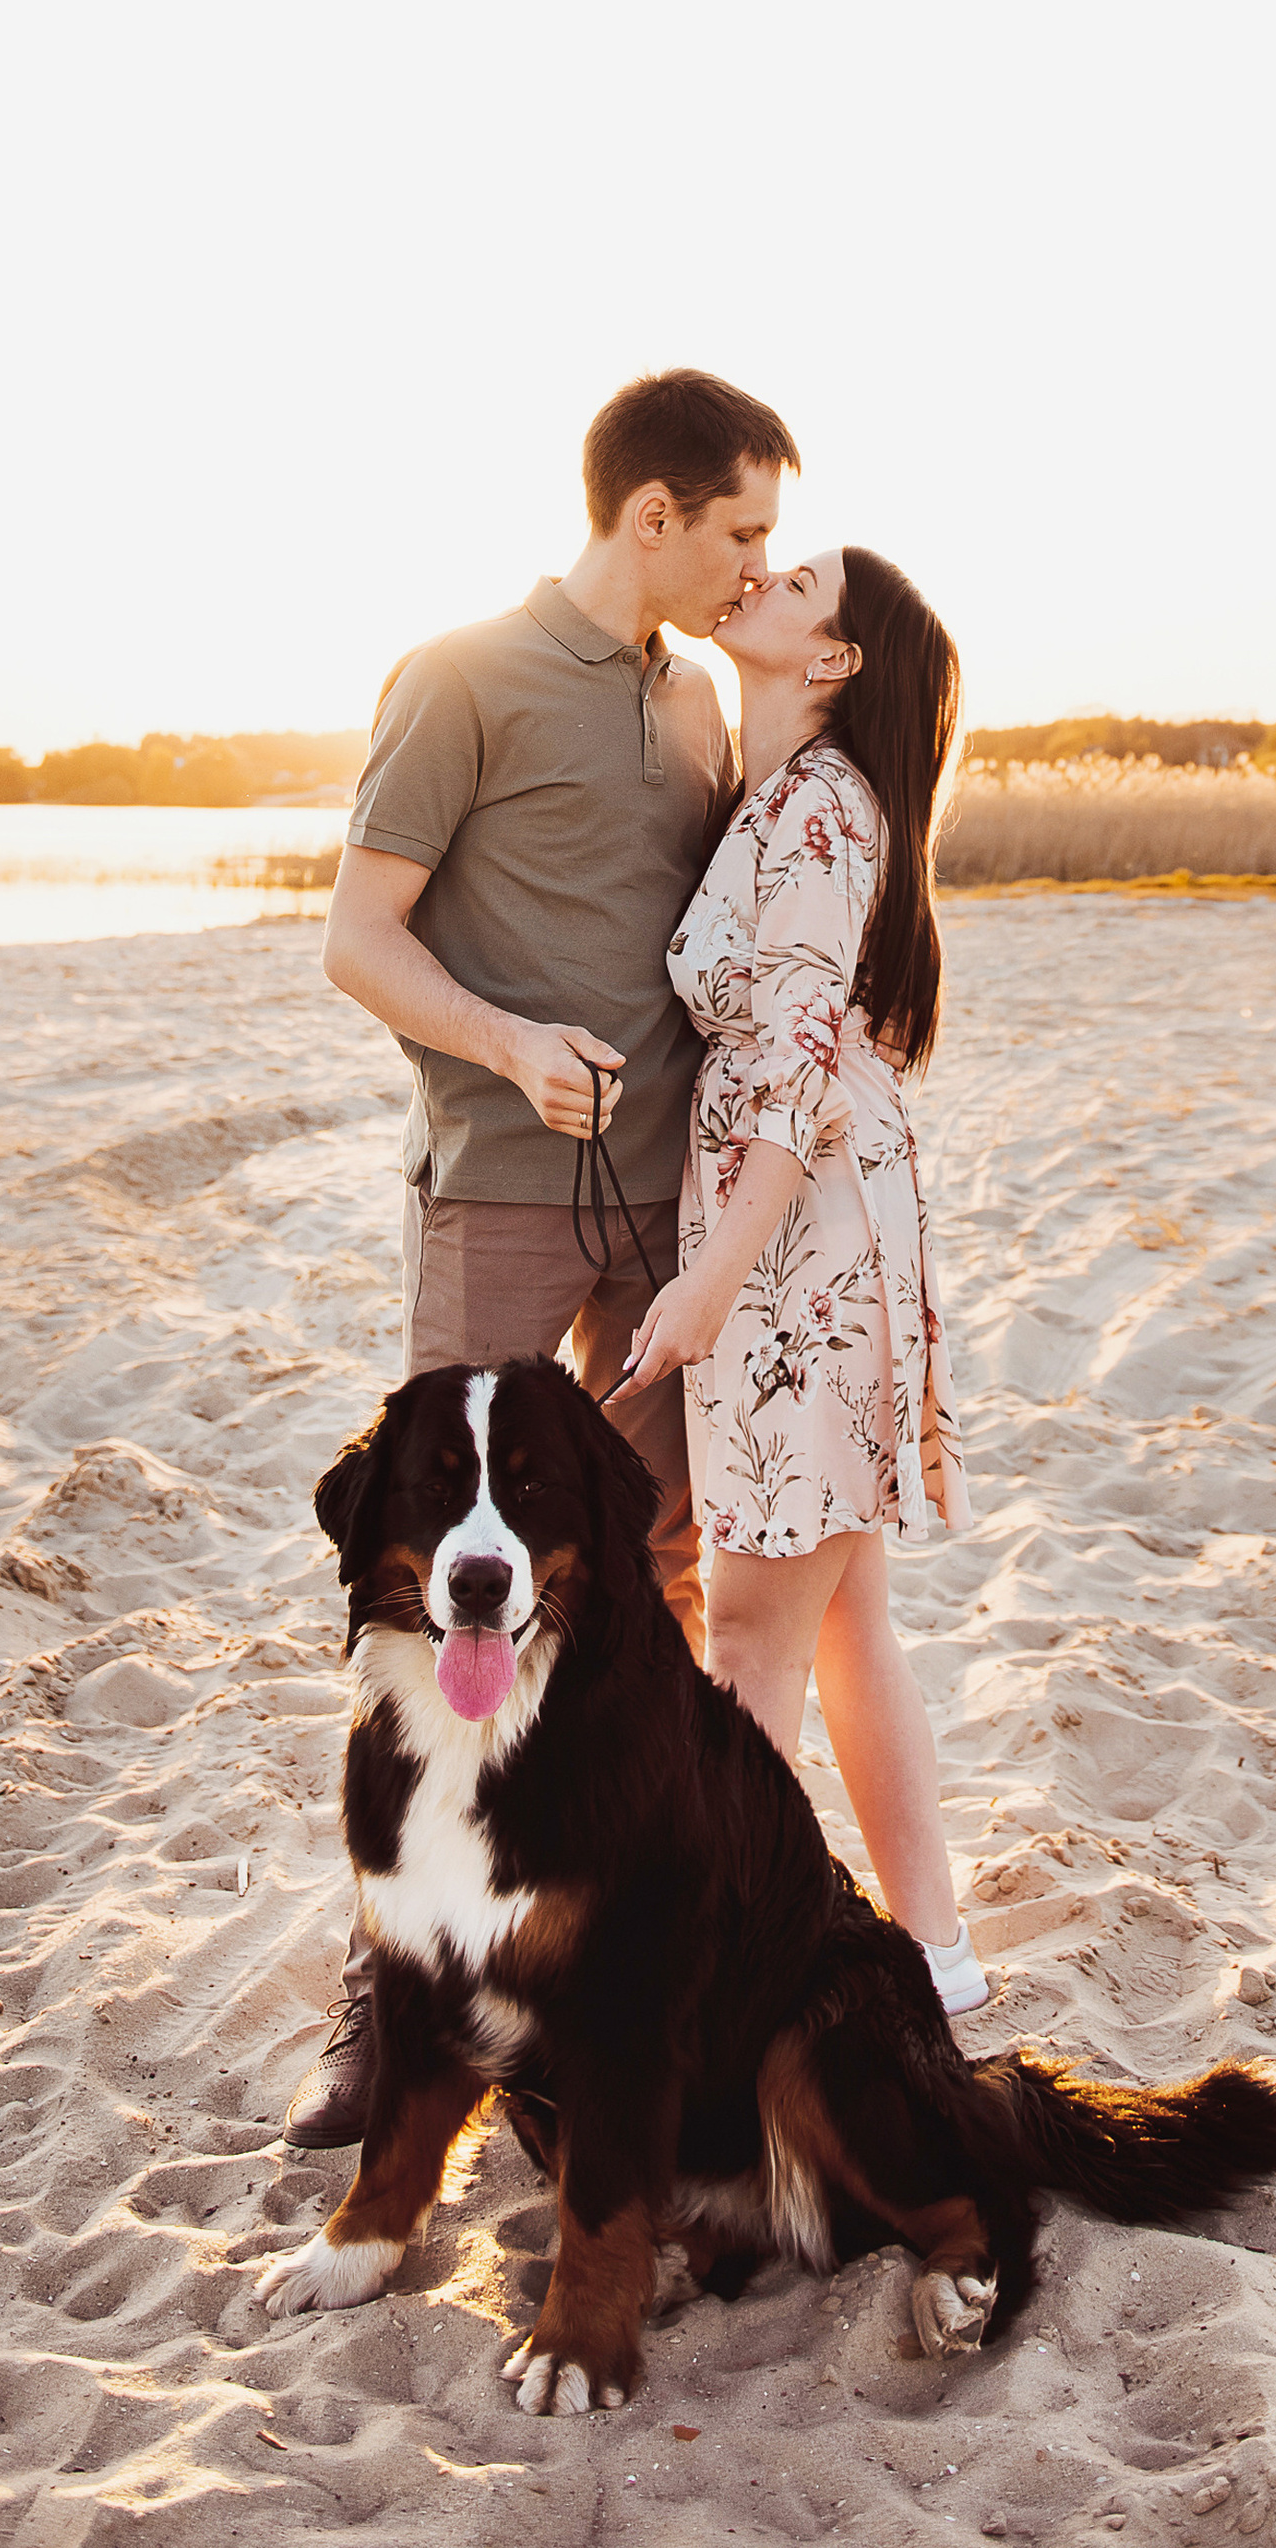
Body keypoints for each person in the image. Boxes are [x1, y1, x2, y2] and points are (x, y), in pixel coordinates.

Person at [282, 365, 803, 2148]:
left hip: (661, 1227)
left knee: (638, 1580)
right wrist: (507, 1046)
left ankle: (588, 1976)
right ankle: (399, 1989)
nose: (755, 566)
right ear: (650, 515)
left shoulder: (694, 709)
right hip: (498, 1194)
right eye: (739, 531)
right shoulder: (458, 678)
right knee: (435, 1596)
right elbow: (359, 938)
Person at [613, 544, 986, 2015]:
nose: (761, 574)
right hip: (820, 1226)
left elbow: (795, 1054)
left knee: (757, 1628)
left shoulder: (824, 812)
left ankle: (714, 1976)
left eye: (797, 581)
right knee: (838, 1615)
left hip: (797, 1241)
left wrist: (714, 1272)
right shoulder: (784, 797)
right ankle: (940, 1957)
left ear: (832, 659)